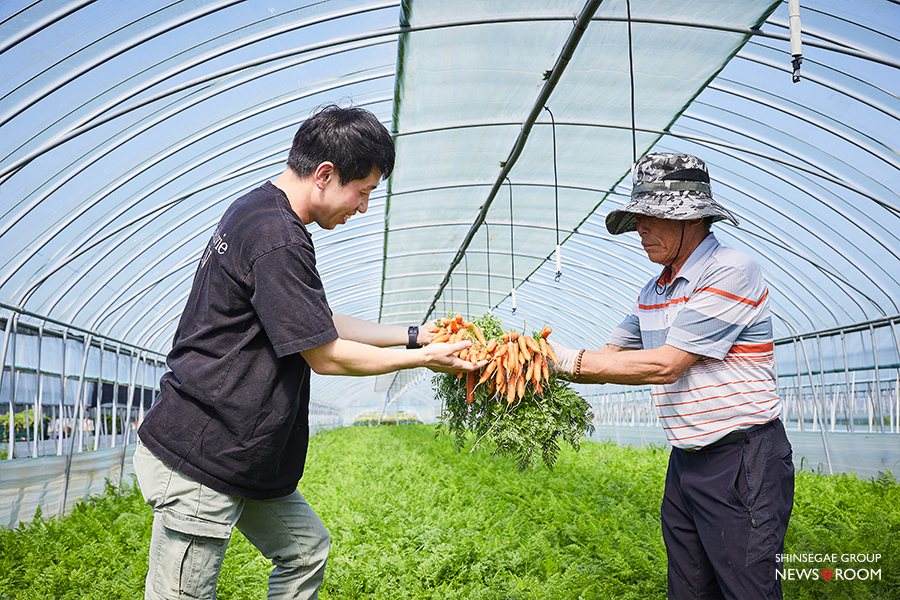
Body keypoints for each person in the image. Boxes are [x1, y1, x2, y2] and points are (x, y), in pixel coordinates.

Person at [132, 104, 482, 600]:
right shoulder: (278, 237)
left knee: (304, 549)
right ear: (325, 174)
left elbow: (316, 322)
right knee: (182, 595)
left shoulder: (259, 212)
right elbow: (326, 354)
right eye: (362, 193)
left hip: (241, 453)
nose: (362, 208)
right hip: (204, 453)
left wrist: (416, 335)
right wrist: (425, 360)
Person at [551, 152, 794, 600]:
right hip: (685, 462)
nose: (641, 228)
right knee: (688, 590)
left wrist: (566, 360)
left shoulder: (731, 271)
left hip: (741, 459)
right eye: (638, 217)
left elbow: (666, 364)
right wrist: (530, 361)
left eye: (653, 216)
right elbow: (608, 358)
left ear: (693, 220)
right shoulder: (653, 291)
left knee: (747, 589)